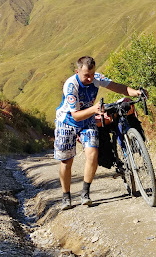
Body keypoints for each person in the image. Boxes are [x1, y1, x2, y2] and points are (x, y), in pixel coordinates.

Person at [54, 55, 142, 210]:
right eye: (86, 75)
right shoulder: (71, 86)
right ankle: (66, 197)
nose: (90, 78)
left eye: (92, 74)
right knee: (66, 161)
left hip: (87, 119)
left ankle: (85, 194)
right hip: (67, 121)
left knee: (93, 154)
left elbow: (117, 87)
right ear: (77, 71)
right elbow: (75, 115)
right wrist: (94, 109)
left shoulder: (96, 78)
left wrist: (135, 92)